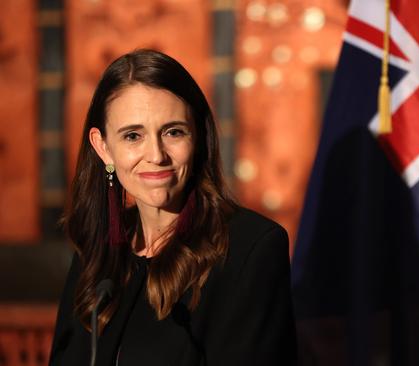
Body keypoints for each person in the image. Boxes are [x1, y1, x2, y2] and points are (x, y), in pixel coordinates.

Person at [49, 49, 296, 365]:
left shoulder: (251, 248)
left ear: (197, 138)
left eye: (173, 132)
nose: (156, 154)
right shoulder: (96, 249)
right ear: (103, 147)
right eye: (133, 135)